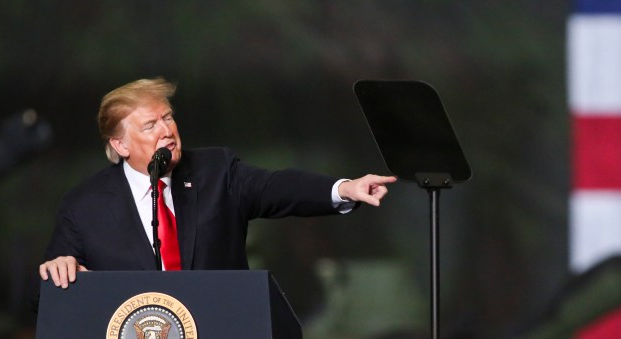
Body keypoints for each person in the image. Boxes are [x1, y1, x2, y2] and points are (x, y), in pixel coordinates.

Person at [39, 77, 396, 288]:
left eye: (168, 118)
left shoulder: (215, 170)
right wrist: (60, 272)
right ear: (120, 144)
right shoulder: (84, 205)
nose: (167, 131)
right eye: (151, 126)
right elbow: (46, 291)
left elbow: (275, 187)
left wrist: (343, 189)